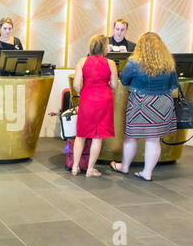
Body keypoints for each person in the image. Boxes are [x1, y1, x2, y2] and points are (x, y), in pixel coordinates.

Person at [110, 32, 178, 181]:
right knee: (153, 139)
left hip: (141, 104)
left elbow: (125, 80)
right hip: (162, 104)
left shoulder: (134, 62)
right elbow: (174, 84)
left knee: (131, 137)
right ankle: (147, 173)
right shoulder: (168, 63)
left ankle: (124, 167)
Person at [72, 35, 118, 177]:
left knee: (81, 135)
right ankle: (90, 169)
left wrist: (84, 92)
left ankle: (75, 167)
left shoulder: (82, 61)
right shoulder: (111, 63)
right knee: (98, 136)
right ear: (104, 48)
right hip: (104, 99)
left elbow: (75, 84)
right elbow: (115, 85)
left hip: (87, 99)